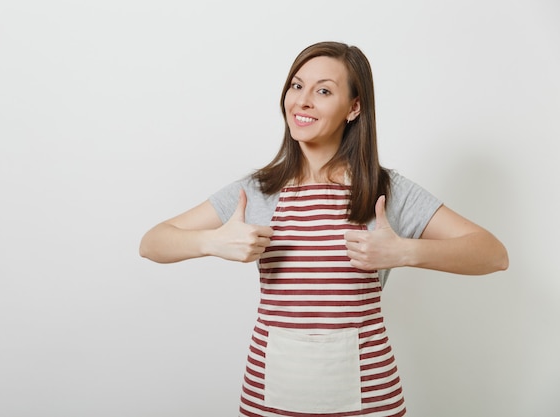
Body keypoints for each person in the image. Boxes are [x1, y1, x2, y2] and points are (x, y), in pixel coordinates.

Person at [139, 41, 508, 417]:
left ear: (354, 107)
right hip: (270, 396)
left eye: (324, 91)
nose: (303, 101)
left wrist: (405, 252)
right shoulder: (258, 191)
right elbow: (152, 243)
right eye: (297, 86)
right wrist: (212, 242)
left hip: (371, 399)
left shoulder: (383, 190)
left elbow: (493, 254)